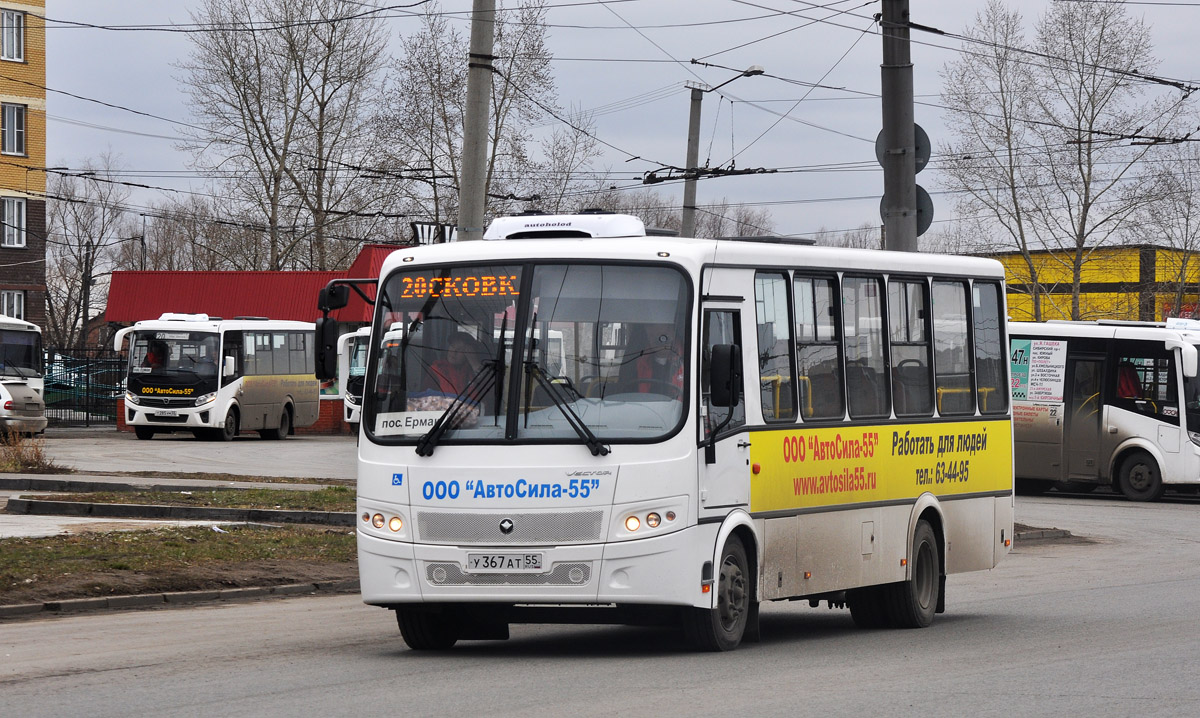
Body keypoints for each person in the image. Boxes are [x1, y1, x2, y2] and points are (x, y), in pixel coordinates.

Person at [633, 323, 684, 396]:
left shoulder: (688, 359)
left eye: (664, 336)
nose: (661, 341)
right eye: (653, 336)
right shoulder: (639, 363)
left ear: (673, 334)